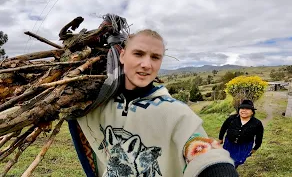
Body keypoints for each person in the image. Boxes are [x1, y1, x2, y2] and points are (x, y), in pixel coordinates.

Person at [68, 29, 239, 177]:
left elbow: (200, 148)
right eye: (138, 54)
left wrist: (220, 169)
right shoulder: (97, 104)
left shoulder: (175, 111)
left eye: (155, 57)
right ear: (122, 55)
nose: (146, 65)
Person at [218, 99, 264, 169]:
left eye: (247, 109)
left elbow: (259, 137)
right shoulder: (232, 118)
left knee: (235, 161)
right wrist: (220, 138)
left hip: (244, 146)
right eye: (242, 108)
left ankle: (230, 171)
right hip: (229, 143)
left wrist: (255, 148)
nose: (244, 110)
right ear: (239, 110)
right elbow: (223, 128)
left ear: (252, 112)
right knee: (225, 158)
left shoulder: (257, 123)